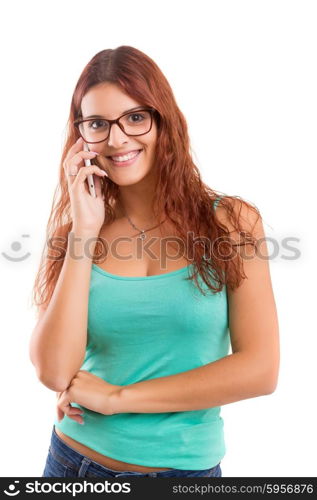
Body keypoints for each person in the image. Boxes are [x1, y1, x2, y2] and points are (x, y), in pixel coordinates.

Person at [30, 46, 280, 478]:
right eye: (97, 124)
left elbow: (260, 369)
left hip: (184, 474)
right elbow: (54, 371)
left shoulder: (232, 223)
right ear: (80, 138)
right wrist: (83, 235)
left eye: (135, 117)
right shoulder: (76, 234)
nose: (116, 139)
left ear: (164, 120)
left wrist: (118, 398)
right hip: (73, 463)